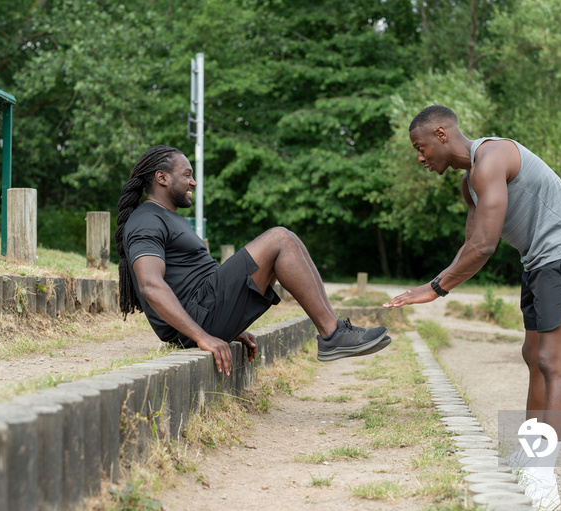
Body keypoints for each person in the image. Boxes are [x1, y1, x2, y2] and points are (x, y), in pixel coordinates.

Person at [383, 105, 561, 511]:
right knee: (531, 355)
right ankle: (531, 451)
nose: (420, 157)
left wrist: (435, 289)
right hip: (538, 259)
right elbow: (471, 243)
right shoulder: (469, 184)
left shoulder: (493, 157)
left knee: (553, 360)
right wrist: (433, 284)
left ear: (442, 134)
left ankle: (542, 473)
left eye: (421, 147)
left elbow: (485, 245)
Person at [115, 145, 391, 377]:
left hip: (205, 309)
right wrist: (202, 335)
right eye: (187, 175)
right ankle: (332, 335)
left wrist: (232, 328)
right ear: (161, 178)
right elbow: (150, 285)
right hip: (197, 318)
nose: (194, 182)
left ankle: (334, 330)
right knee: (280, 238)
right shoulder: (146, 220)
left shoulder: (167, 216)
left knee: (288, 239)